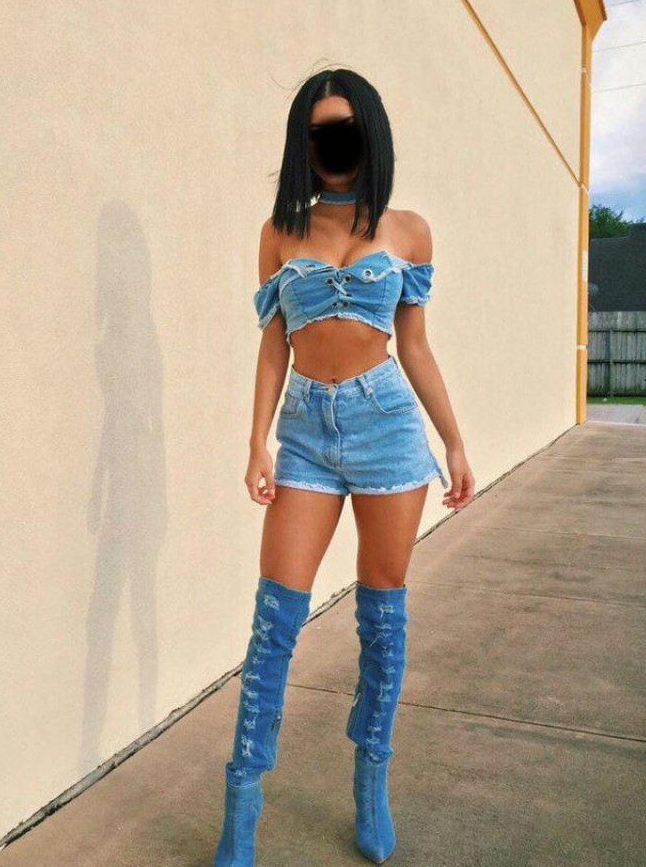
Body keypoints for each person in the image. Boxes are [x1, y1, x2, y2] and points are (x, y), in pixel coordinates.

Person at [213, 68, 475, 867]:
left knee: (381, 618)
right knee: (274, 623)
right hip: (304, 435)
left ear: (369, 136)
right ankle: (240, 808)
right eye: (319, 131)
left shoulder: (408, 231)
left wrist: (454, 441)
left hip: (387, 429)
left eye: (346, 129)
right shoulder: (279, 231)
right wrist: (256, 440)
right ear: (305, 142)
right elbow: (273, 347)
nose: (333, 144)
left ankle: (370, 782)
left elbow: (415, 346)